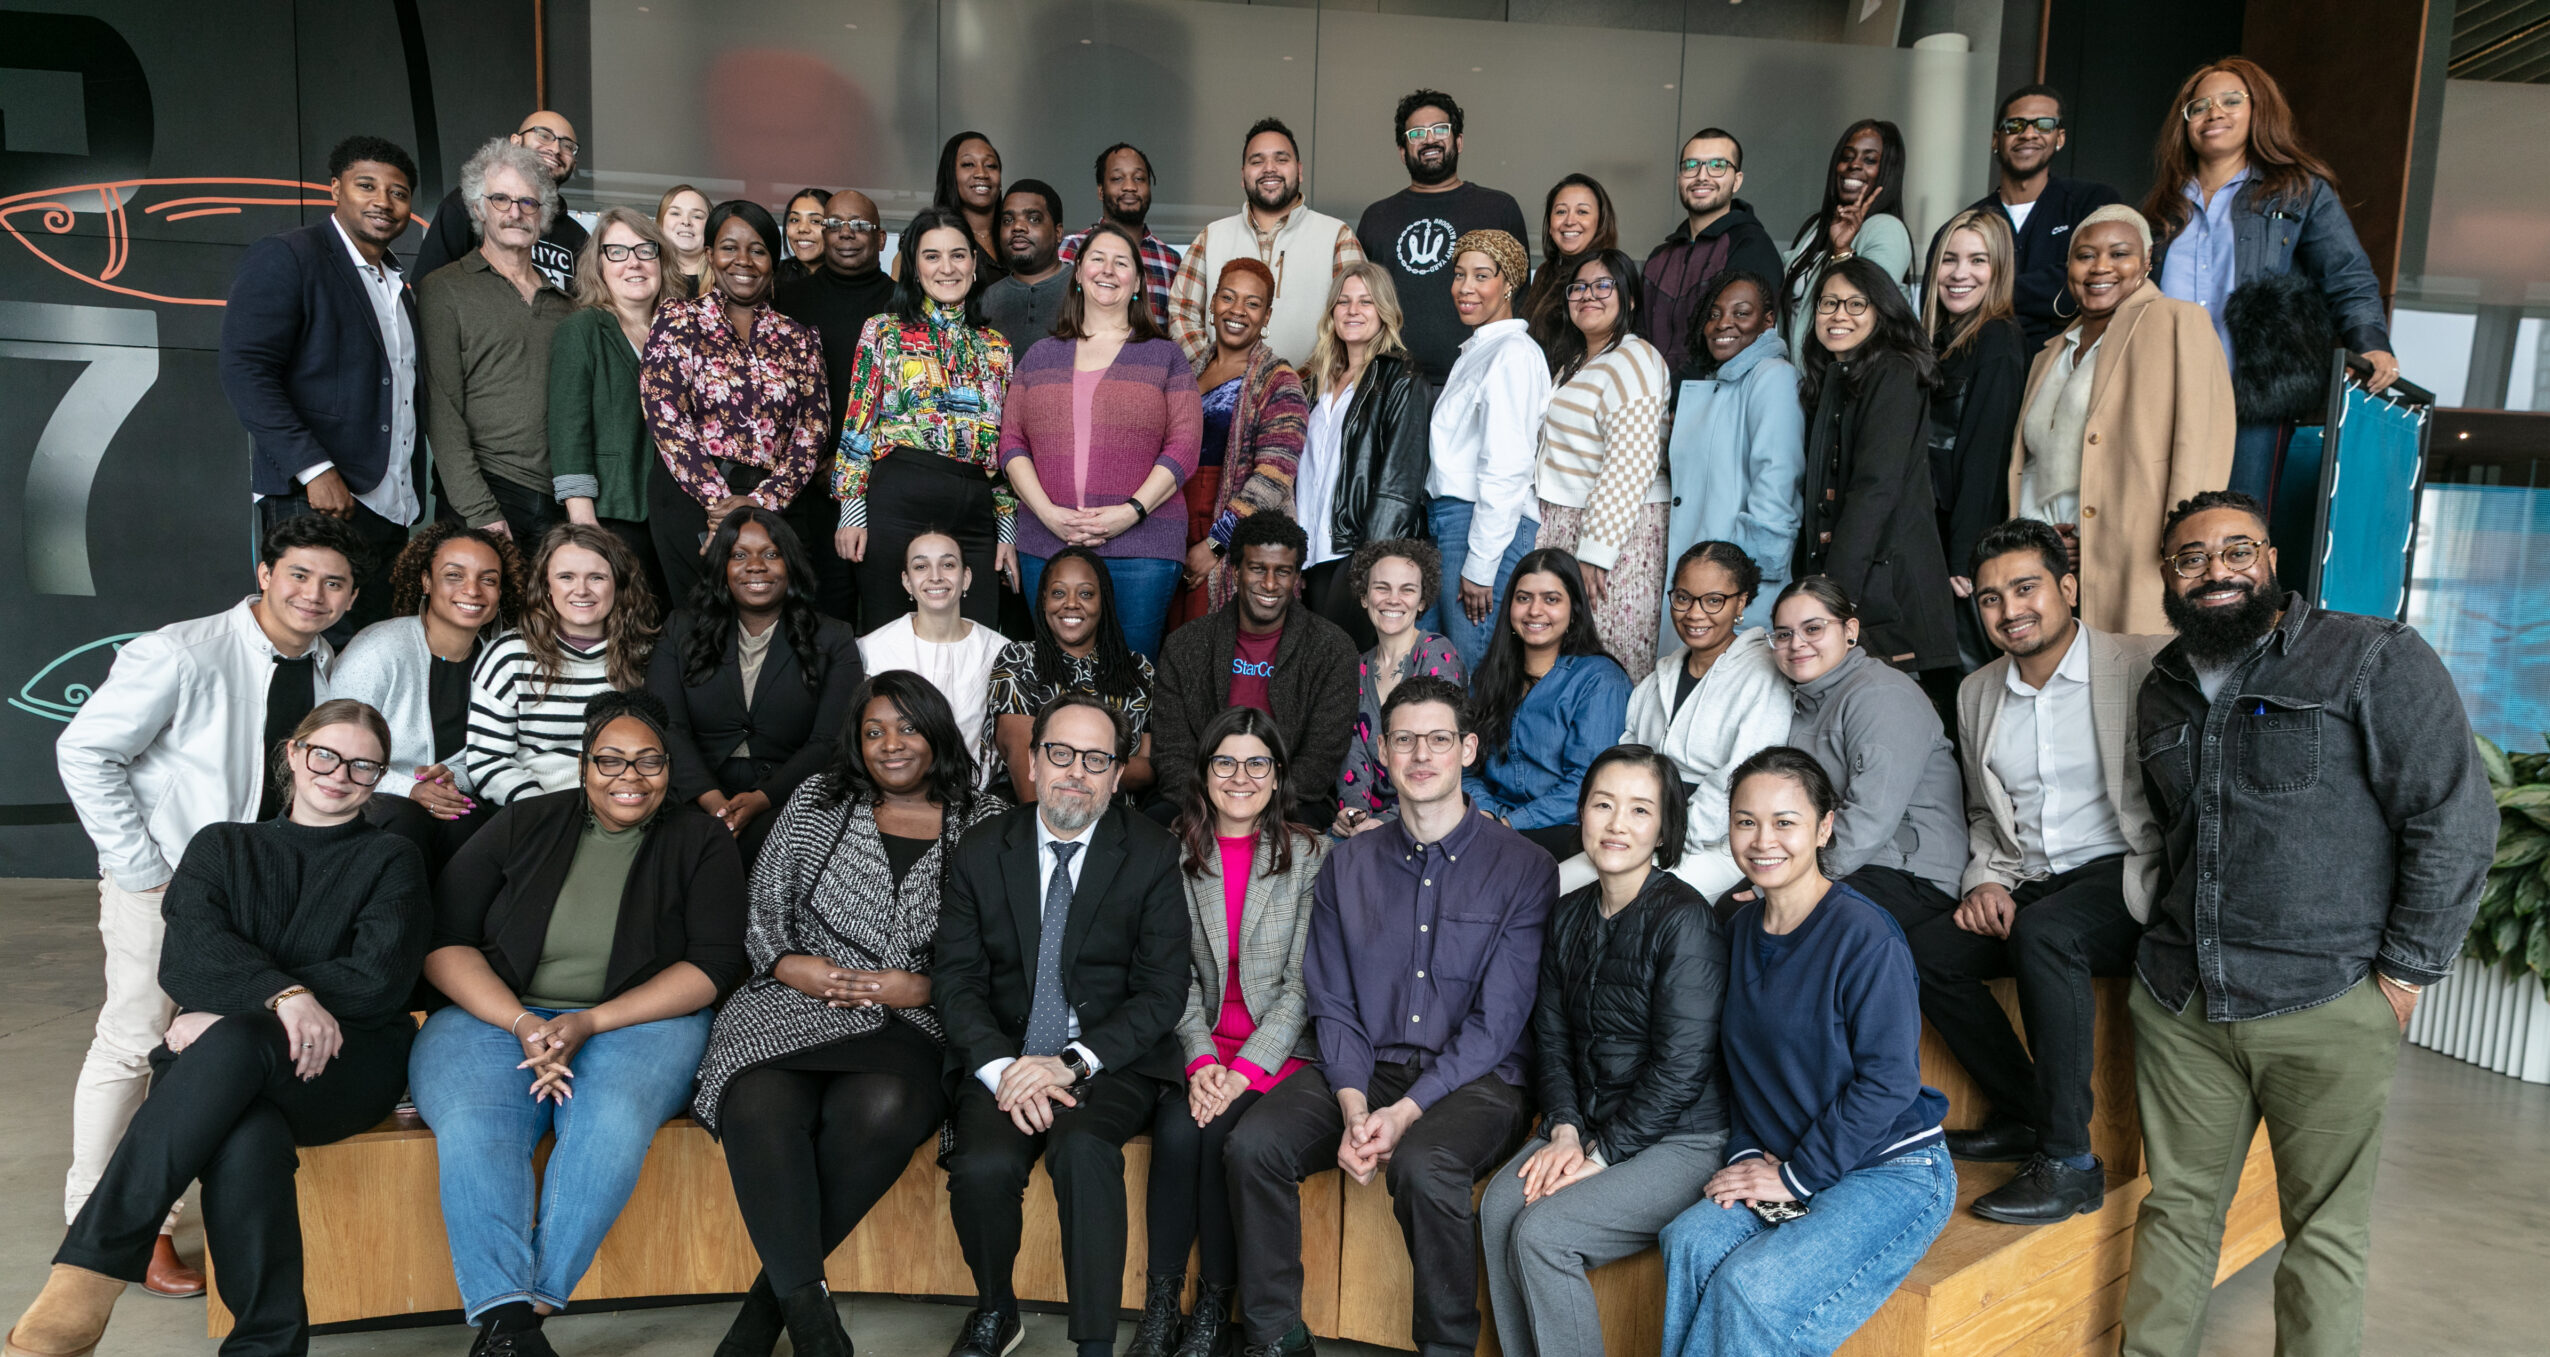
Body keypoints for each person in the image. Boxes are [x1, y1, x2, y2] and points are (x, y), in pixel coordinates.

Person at [2120, 491, 2494, 1356]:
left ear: (2272, 559)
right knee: (2175, 1214)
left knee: (2323, 1233)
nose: (2215, 570)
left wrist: (2403, 975)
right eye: (2190, 557)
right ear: (2168, 577)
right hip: (2185, 1007)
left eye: (2235, 550)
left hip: (2324, 998)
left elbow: (2452, 817)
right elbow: (2175, 837)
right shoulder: (2163, 687)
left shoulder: (2369, 656)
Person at [4, 701, 430, 1357]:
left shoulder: (390, 857)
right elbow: (187, 960)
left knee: (231, 1040)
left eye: (362, 764)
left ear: (378, 775)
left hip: (343, 1063)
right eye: (325, 754)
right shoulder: (222, 845)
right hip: (231, 1071)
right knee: (246, 1130)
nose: (339, 773)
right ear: (293, 751)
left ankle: (88, 1271)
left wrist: (243, 1003)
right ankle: (266, 1347)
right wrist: (283, 995)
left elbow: (378, 980)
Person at [51, 512, 365, 1299]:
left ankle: (157, 1208)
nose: (313, 594)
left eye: (333, 582)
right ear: (264, 573)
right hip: (164, 882)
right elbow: (85, 750)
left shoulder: (328, 668)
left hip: (260, 892)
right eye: (298, 574)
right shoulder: (181, 651)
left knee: (205, 1050)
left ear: (351, 593)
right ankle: (107, 1233)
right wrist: (142, 867)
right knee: (134, 1040)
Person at [411, 690, 746, 1355]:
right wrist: (520, 1022)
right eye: (611, 760)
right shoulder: (523, 821)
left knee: (609, 1122)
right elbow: (443, 939)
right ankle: (511, 1325)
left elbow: (711, 965)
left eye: (649, 761)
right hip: (492, 1014)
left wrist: (589, 1021)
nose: (630, 777)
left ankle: (521, 1315)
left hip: (639, 1020)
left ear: (670, 766)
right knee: (479, 1126)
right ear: (584, 763)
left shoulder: (700, 838)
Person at [1227, 674, 1551, 1357]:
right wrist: (1352, 1105)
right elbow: (1333, 998)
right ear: (1383, 755)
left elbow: (1497, 1024)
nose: (1421, 753)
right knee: (1254, 1145)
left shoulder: (1525, 867)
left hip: (1477, 1079)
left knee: (1425, 1164)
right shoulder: (1348, 865)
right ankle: (1276, 1337)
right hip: (1366, 1066)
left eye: (1438, 738)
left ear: (1467, 749)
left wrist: (1403, 1116)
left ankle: (1446, 1347)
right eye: (1404, 739)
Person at [691, 672, 1002, 1357]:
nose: (891, 744)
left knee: (886, 1104)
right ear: (855, 743)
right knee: (757, 1099)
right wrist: (785, 963)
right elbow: (765, 904)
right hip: (797, 1003)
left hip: (911, 1022)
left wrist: (924, 987)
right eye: (873, 731)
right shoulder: (817, 800)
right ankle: (813, 1322)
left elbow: (999, 943)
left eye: (907, 727)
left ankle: (763, 1315)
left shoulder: (982, 821)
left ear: (937, 731)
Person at [1901, 518, 2163, 1226]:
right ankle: (2021, 1111)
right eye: (1989, 598)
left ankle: (2069, 1160)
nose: (2009, 609)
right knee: (1925, 952)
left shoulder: (2139, 663)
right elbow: (1986, 816)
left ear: (2067, 587)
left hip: (2124, 873)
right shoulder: (1976, 692)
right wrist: (1984, 879)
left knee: (2047, 934)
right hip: (2027, 878)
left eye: (2026, 587)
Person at [1655, 747, 1954, 1357]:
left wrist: (1794, 1176)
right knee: (1690, 1241)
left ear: (1824, 827)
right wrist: (1747, 1154)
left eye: (1785, 822)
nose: (1763, 840)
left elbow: (1889, 1082)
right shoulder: (1736, 931)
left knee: (1751, 1289)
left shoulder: (1865, 936)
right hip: (1784, 1155)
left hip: (1887, 1168)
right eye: (1746, 821)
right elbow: (1732, 1066)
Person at [930, 697, 1190, 1357]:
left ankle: (1094, 1345)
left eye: (1097, 759)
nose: (1077, 772)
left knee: (1082, 1152)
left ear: (1117, 773)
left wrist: (1070, 1062)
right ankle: (996, 1307)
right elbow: (956, 981)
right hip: (1006, 1055)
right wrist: (1003, 1068)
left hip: (1106, 1060)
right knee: (983, 1164)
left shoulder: (1153, 852)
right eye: (1061, 754)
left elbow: (1161, 991)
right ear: (1032, 759)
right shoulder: (982, 848)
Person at [1480, 746, 1728, 1357]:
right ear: (1582, 814)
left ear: (1664, 828)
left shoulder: (1684, 920)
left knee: (1544, 1233)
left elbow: (1681, 1068)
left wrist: (1602, 1155)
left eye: (1640, 810)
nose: (1618, 824)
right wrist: (1563, 1129)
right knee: (1497, 1208)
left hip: (1681, 1139)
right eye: (1603, 805)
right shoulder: (1566, 914)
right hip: (1588, 1124)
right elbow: (1554, 1039)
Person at [1127, 708, 1327, 1357]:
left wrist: (1241, 1073)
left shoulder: (1310, 855)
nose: (1240, 776)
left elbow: (1301, 986)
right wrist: (1203, 1061)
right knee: (1179, 1131)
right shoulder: (1175, 852)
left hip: (1276, 1053)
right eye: (1225, 762)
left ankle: (1213, 1305)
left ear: (1277, 775)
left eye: (1256, 762)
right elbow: (1175, 978)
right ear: (1204, 772)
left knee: (1218, 1131)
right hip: (1203, 1047)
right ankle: (1161, 1306)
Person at [2145, 58, 2398, 502]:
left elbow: (2347, 273)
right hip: (2163, 395)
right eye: (2199, 106)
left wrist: (2370, 340)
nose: (2214, 113)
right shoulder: (2161, 206)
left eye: (2230, 101)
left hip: (2254, 394)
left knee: (2240, 526)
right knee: (2160, 524)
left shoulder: (2299, 190)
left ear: (2259, 110)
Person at [222, 134, 423, 639]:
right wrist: (315, 469)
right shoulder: (290, 256)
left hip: (388, 506)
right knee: (302, 644)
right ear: (335, 189)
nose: (383, 201)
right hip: (314, 498)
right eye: (366, 186)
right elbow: (246, 370)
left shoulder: (399, 286)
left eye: (398, 193)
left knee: (367, 655)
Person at [2014, 205, 2233, 636]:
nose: (2100, 267)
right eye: (2085, 255)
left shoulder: (2177, 321)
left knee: (2132, 684)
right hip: (2049, 565)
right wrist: (2040, 543)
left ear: (2147, 262)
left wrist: (2186, 549)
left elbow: (2203, 445)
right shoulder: (2050, 351)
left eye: (2119, 254)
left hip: (2137, 556)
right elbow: (2032, 464)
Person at [1001, 220, 1203, 660]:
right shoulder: (1039, 356)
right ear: (1077, 272)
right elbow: (1012, 444)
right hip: (1046, 542)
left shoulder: (1165, 356)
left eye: (1121, 262)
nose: (1108, 270)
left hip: (1142, 550)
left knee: (1130, 677)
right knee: (1056, 676)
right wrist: (1048, 514)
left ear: (1136, 282)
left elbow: (1184, 447)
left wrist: (1130, 513)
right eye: (1097, 259)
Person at [637, 199, 831, 608]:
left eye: (757, 250)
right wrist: (719, 503)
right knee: (702, 626)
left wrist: (760, 504)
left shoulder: (799, 338)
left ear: (773, 262)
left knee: (780, 628)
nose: (743, 260)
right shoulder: (678, 320)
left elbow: (813, 431)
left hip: (777, 500)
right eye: (729, 247)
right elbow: (666, 416)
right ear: (710, 254)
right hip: (692, 499)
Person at [832, 206, 1017, 631]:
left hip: (975, 505)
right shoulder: (884, 330)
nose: (946, 267)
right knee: (889, 637)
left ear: (974, 263)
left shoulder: (997, 346)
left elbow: (1004, 444)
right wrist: (850, 510)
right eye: (932, 256)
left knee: (977, 641)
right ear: (914, 268)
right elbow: (858, 422)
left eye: (958, 255)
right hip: (899, 497)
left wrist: (1007, 528)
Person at [649, 508, 866, 867]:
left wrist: (762, 799)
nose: (755, 566)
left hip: (789, 799)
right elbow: (666, 726)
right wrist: (713, 800)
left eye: (770, 554)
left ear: (791, 563)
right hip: (694, 794)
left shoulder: (833, 637)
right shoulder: (680, 629)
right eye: (738, 555)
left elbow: (830, 741)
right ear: (722, 566)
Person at [1767, 577, 1965, 933]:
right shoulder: (1799, 701)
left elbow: (1869, 818)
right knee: (1726, 912)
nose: (1796, 644)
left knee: (1791, 925)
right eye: (1783, 634)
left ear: (1850, 630)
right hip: (1846, 866)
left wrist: (1788, 881)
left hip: (1909, 872)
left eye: (1813, 628)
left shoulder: (1881, 694)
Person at [1793, 257, 1957, 677]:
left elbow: (1875, 488)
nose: (1838, 315)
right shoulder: (1835, 375)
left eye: (1855, 304)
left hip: (1889, 588)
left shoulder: (1894, 371)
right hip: (1854, 587)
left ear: (1882, 311)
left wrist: (1833, 595)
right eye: (1828, 304)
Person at [332, 522, 522, 872]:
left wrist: (452, 780)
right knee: (405, 820)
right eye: (454, 575)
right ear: (426, 581)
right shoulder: (378, 649)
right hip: (365, 796)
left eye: (488, 579)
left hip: (440, 798)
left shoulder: (499, 662)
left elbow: (491, 754)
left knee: (472, 823)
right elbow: (334, 752)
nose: (473, 590)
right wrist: (410, 789)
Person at [1603, 542, 1789, 898]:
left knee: (1635, 900)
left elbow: (1741, 777)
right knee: (1551, 886)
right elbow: (1628, 751)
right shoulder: (1664, 672)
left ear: (1741, 602)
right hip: (1645, 829)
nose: (1694, 613)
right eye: (1684, 598)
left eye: (1713, 600)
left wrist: (1667, 841)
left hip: (1720, 841)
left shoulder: (1763, 673)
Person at [1152, 511, 1359, 829]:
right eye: (1258, 569)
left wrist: (1258, 809)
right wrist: (1220, 808)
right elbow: (1172, 752)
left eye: (1283, 572)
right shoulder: (1186, 646)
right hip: (1201, 801)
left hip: (1291, 802)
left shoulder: (1332, 649)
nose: (1270, 584)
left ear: (1297, 578)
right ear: (1234, 571)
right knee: (1156, 826)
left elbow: (1321, 758)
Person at [418, 136, 577, 547]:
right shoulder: (445, 289)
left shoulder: (568, 306)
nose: (515, 213)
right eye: (501, 199)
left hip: (560, 501)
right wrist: (480, 511)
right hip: (485, 493)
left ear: (543, 216)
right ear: (477, 208)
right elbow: (442, 408)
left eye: (529, 203)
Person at [1533, 248, 1672, 675]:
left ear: (1629, 299)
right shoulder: (1578, 362)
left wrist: (1596, 550)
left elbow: (1630, 464)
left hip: (1616, 534)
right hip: (1571, 522)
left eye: (1603, 285)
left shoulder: (1634, 358)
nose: (1588, 295)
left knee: (1614, 652)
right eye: (1579, 287)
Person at [461, 522, 660, 807]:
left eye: (596, 578)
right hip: (536, 809)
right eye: (566, 577)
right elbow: (489, 760)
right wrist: (542, 811)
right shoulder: (509, 655)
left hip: (626, 806)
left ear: (618, 583)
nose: (581, 590)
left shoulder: (647, 655)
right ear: (546, 586)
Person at [1427, 228, 1552, 672]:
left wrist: (1480, 564)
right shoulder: (1480, 349)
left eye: (1482, 276)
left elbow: (1507, 464)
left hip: (1480, 524)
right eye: (1459, 274)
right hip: (1454, 522)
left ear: (1509, 283)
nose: (1466, 287)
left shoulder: (1513, 353)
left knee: (1474, 675)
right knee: (1449, 673)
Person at [1464, 548, 1635, 860]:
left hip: (1562, 828)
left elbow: (1588, 784)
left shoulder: (1599, 680)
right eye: (1524, 598)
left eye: (1551, 599)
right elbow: (1466, 765)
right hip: (1489, 818)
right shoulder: (1489, 675)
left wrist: (1508, 823)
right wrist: (1486, 814)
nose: (1535, 610)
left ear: (1575, 609)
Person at [1923, 86, 2122, 351]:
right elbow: (1938, 311)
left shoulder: (2091, 202)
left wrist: (1984, 292)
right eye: (2014, 125)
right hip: (1980, 369)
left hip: (2064, 367)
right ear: (1996, 140)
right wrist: (2049, 298)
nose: (2028, 134)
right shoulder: (1962, 226)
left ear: (2059, 137)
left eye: (2043, 124)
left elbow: (2096, 283)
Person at [1295, 264, 1432, 647]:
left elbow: (1399, 488)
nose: (1352, 310)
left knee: (1343, 665)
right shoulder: (1312, 383)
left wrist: (1369, 564)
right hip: (1308, 552)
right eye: (1343, 301)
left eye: (1366, 302)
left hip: (1353, 551)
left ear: (1385, 310)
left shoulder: (1402, 378)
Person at [1167, 258, 1308, 630]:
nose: (1237, 311)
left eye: (1252, 303)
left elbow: (1274, 476)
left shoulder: (1279, 380)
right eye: (1228, 297)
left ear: (1267, 316)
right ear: (1212, 304)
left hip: (1229, 532)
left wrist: (1217, 543)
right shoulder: (1188, 368)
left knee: (1214, 641)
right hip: (1175, 524)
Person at [1662, 269, 1801, 641]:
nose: (1724, 323)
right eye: (1714, 313)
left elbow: (1776, 482)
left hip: (1734, 585)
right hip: (1703, 583)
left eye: (1741, 313)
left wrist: (1743, 583)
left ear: (1768, 321)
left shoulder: (1773, 376)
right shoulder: (1720, 386)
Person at [1357, 90, 1531, 386]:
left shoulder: (1498, 209)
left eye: (1440, 129)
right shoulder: (1377, 218)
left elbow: (1521, 298)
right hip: (1391, 385)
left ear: (1458, 141)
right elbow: (1362, 304)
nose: (1430, 139)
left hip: (1480, 379)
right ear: (1402, 151)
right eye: (1416, 133)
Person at [550, 206, 677, 598]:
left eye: (645, 250)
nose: (634, 263)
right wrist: (584, 525)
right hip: (612, 513)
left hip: (675, 513)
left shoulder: (678, 331)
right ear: (598, 266)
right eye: (617, 252)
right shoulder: (583, 328)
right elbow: (569, 428)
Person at [1921, 208, 2030, 658]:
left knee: (1961, 675)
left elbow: (1986, 456)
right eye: (1949, 259)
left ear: (1999, 269)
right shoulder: (1939, 337)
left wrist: (1965, 552)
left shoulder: (1997, 340)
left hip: (1960, 545)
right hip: (1930, 530)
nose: (1960, 273)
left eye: (1977, 260)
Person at [1169, 118, 1364, 368]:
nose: (1269, 168)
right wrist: (1218, 372)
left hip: (1312, 397)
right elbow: (1181, 313)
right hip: (1221, 396)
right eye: (1257, 161)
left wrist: (1302, 381)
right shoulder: (1211, 236)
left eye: (1281, 159)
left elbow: (1356, 321)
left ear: (1300, 170)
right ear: (1243, 175)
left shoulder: (1338, 236)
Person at [988, 544, 1157, 803]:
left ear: (1104, 601)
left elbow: (1148, 771)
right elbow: (1027, 768)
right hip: (1031, 821)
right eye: (1058, 593)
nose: (1071, 604)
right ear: (1044, 599)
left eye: (1086, 594)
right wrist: (1104, 763)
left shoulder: (1138, 670)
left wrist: (1061, 760)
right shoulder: (1018, 659)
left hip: (1117, 825)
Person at [1330, 539, 1466, 835]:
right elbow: (1353, 753)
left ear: (1422, 602)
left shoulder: (1435, 652)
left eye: (1407, 590)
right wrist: (1354, 813)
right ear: (1364, 597)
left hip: (1429, 816)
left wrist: (1385, 822)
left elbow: (1438, 754)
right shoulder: (1356, 667)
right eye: (1382, 588)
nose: (1394, 599)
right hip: (1369, 822)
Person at [858, 529, 1010, 792]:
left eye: (948, 564)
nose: (936, 576)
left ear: (966, 577)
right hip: (892, 795)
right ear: (907, 581)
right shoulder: (871, 650)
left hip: (975, 798)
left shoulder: (1000, 652)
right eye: (921, 566)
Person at [1640, 129, 1785, 378]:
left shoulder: (1751, 245)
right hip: (1649, 403)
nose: (1701, 176)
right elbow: (1638, 338)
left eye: (1717, 165)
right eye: (1691, 166)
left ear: (1737, 180)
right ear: (1679, 177)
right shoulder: (1659, 259)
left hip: (1716, 401)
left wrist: (1676, 397)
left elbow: (1741, 339)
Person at [1780, 120, 1914, 363]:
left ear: (1888, 171)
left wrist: (1842, 250)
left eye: (1870, 160)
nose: (1854, 165)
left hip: (1843, 382)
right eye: (1847, 156)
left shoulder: (1886, 229)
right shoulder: (1815, 227)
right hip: (1797, 381)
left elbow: (1863, 309)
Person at [412, 110, 588, 292]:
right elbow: (429, 287)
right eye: (544, 135)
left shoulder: (579, 239)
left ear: (574, 164)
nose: (555, 149)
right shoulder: (470, 203)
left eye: (567, 146)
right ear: (515, 141)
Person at [774, 188, 896, 448]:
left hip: (881, 467)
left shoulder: (904, 306)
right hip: (799, 464)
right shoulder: (787, 301)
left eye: (860, 224)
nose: (846, 232)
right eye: (834, 224)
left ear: (881, 239)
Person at [1061, 142, 1182, 324]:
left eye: (1139, 178)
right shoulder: (1072, 248)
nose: (1130, 187)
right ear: (1101, 191)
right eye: (1118, 178)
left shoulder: (1170, 260)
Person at [1522, 174, 1618, 351]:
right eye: (1560, 211)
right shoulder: (1545, 271)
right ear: (1550, 225)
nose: (1569, 221)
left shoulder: (1610, 272)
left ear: (1601, 221)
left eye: (1582, 212)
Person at [982, 179, 1071, 349]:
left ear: (1058, 233)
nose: (1018, 227)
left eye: (1033, 219)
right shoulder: (987, 301)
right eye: (1008, 220)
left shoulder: (1084, 289)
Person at [929, 130, 1009, 297]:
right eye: (968, 164)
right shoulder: (928, 239)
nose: (981, 173)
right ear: (950, 175)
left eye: (990, 165)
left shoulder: (1015, 237)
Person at [657, 184, 713, 299]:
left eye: (697, 216)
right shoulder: (648, 277)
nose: (686, 221)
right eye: (675, 213)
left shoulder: (726, 280)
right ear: (660, 222)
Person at [778, 187, 831, 283]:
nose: (802, 228)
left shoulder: (853, 279)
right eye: (795, 220)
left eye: (815, 221)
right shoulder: (772, 276)